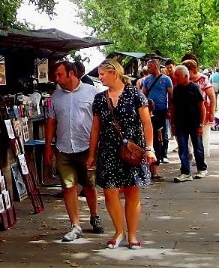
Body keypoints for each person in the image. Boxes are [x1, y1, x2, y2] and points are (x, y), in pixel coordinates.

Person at [86, 59, 156, 250]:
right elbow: (95, 129)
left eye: (102, 74)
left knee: (132, 190)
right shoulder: (100, 98)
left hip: (132, 150)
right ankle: (119, 232)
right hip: (108, 150)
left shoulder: (135, 94)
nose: (99, 78)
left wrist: (149, 148)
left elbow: (146, 123)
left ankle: (132, 235)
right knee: (109, 191)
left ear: (113, 73)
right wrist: (92, 154)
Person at [44, 60, 104, 242]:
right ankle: (75, 224)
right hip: (64, 148)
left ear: (71, 73)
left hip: (87, 148)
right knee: (68, 187)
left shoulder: (92, 92)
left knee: (89, 186)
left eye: (60, 74)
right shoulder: (56, 96)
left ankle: (94, 216)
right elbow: (51, 121)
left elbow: (99, 121)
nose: (57, 79)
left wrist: (97, 148)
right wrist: (48, 146)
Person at [170, 65, 207, 181]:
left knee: (198, 147)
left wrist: (200, 124)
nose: (176, 78)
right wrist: (173, 124)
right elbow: (173, 106)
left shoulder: (195, 88)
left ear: (186, 76)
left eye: (178, 76)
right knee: (182, 147)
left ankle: (202, 168)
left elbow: (202, 107)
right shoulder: (176, 89)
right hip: (180, 123)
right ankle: (185, 172)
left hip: (194, 122)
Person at [140, 58, 173, 176]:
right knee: (151, 135)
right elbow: (143, 94)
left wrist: (170, 109)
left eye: (150, 67)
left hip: (162, 110)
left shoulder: (166, 79)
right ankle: (152, 164)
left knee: (162, 135)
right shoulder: (147, 80)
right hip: (149, 112)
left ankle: (162, 155)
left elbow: (170, 95)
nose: (148, 69)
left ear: (156, 67)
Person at [182, 56, 216, 158]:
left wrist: (213, 112)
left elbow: (212, 97)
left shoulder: (203, 79)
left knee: (203, 137)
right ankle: (190, 155)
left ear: (191, 69)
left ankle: (202, 158)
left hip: (203, 112)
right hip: (187, 113)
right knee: (188, 138)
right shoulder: (183, 81)